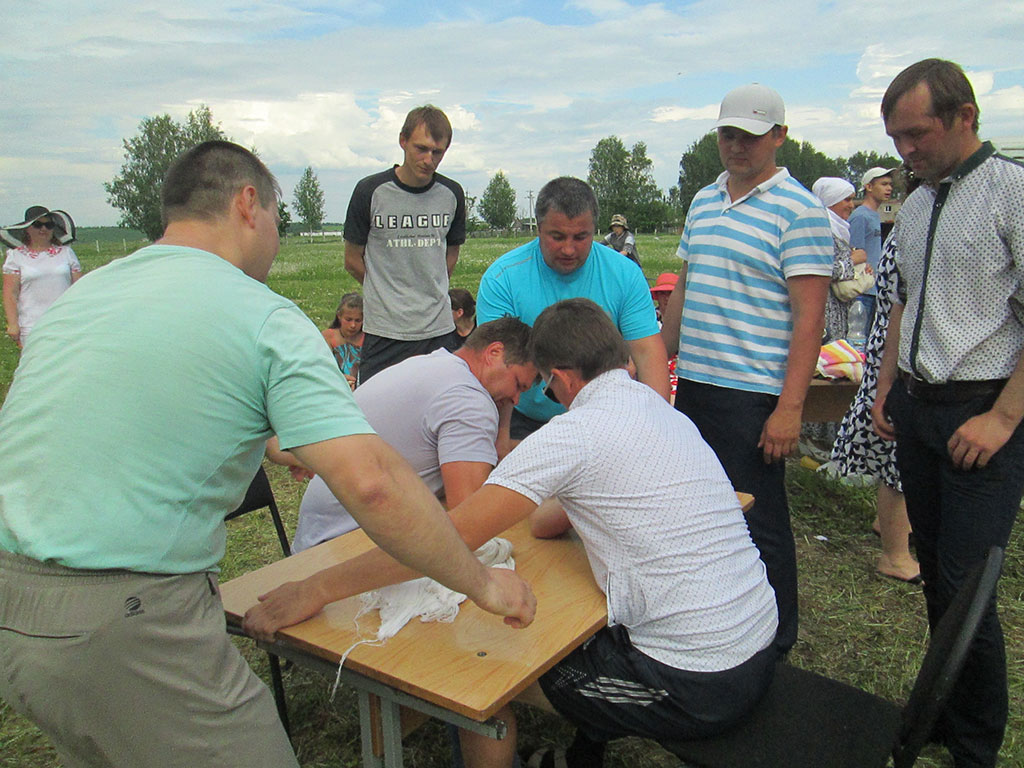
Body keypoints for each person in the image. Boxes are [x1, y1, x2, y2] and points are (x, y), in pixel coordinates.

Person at [0, 140, 535, 768]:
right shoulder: (262, 315)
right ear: (247, 204)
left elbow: (130, 409)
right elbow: (374, 486)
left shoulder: (86, 295)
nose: (278, 237)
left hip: (16, 603)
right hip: (124, 617)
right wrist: (482, 584)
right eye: (279, 218)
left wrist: (282, 443)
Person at [243, 298, 779, 768]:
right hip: (757, 636)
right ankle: (579, 754)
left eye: (542, 385)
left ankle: (433, 732)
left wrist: (316, 588)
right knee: (570, 623)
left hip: (694, 682)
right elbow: (544, 523)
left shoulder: (574, 433)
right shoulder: (663, 412)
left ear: (561, 379)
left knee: (483, 669)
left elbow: (443, 539)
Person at [872, 59, 1024, 768]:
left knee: (968, 585)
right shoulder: (917, 203)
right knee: (934, 568)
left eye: (917, 134)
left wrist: (1003, 419)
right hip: (919, 407)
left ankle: (974, 744)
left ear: (965, 116)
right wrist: (886, 388)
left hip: (982, 410)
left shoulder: (1012, 192)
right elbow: (904, 302)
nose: (906, 151)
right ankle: (942, 711)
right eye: (896, 139)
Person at [660, 83, 834, 657]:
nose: (736, 146)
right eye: (728, 134)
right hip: (697, 384)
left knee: (760, 520)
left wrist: (790, 409)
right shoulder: (703, 201)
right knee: (703, 512)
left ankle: (777, 641)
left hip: (752, 394)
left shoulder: (800, 211)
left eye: (750, 136)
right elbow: (685, 289)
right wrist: (659, 355)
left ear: (779, 136)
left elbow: (809, 319)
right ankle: (716, 623)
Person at [293, 316, 536, 552]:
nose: (515, 399)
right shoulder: (469, 400)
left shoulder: (429, 363)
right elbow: (470, 521)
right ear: (494, 353)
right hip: (346, 543)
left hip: (320, 534)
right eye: (518, 384)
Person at [476, 176, 669, 439]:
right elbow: (498, 370)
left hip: (606, 417)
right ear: (538, 229)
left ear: (595, 230)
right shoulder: (502, 278)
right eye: (557, 237)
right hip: (525, 421)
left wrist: (659, 428)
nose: (568, 249)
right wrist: (502, 439)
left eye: (580, 237)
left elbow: (647, 354)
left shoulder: (625, 274)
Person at [343, 105, 466, 384]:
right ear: (403, 141)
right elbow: (351, 259)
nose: (428, 160)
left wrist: (427, 287)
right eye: (421, 149)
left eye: (438, 152)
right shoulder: (370, 191)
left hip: (438, 330)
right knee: (376, 407)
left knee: (440, 405)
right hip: (385, 332)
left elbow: (451, 255)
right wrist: (387, 290)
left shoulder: (451, 194)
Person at [831, 229, 920, 583]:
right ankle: (895, 556)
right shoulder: (916, 227)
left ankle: (892, 525)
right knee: (898, 458)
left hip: (891, 351)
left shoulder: (908, 227)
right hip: (899, 358)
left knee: (898, 455)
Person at [2, 206, 81, 348]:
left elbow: (79, 288)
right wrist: (13, 324)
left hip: (66, 323)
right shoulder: (16, 257)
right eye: (38, 225)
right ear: (27, 229)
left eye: (48, 225)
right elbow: (10, 293)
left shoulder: (67, 253)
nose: (43, 229)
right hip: (31, 325)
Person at [810, 176, 870, 342]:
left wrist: (861, 270)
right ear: (831, 200)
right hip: (826, 315)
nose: (852, 205)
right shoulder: (820, 230)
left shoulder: (839, 231)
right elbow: (820, 270)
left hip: (841, 314)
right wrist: (853, 262)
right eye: (847, 200)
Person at [848, 166, 896, 330]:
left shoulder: (874, 215)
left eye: (890, 184)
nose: (889, 188)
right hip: (862, 291)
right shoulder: (861, 216)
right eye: (883, 184)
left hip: (874, 289)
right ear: (869, 187)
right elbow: (855, 253)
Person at [322, 292, 364, 387]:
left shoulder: (367, 339)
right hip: (334, 383)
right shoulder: (328, 336)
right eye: (348, 320)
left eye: (358, 320)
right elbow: (322, 365)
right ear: (339, 316)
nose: (353, 325)